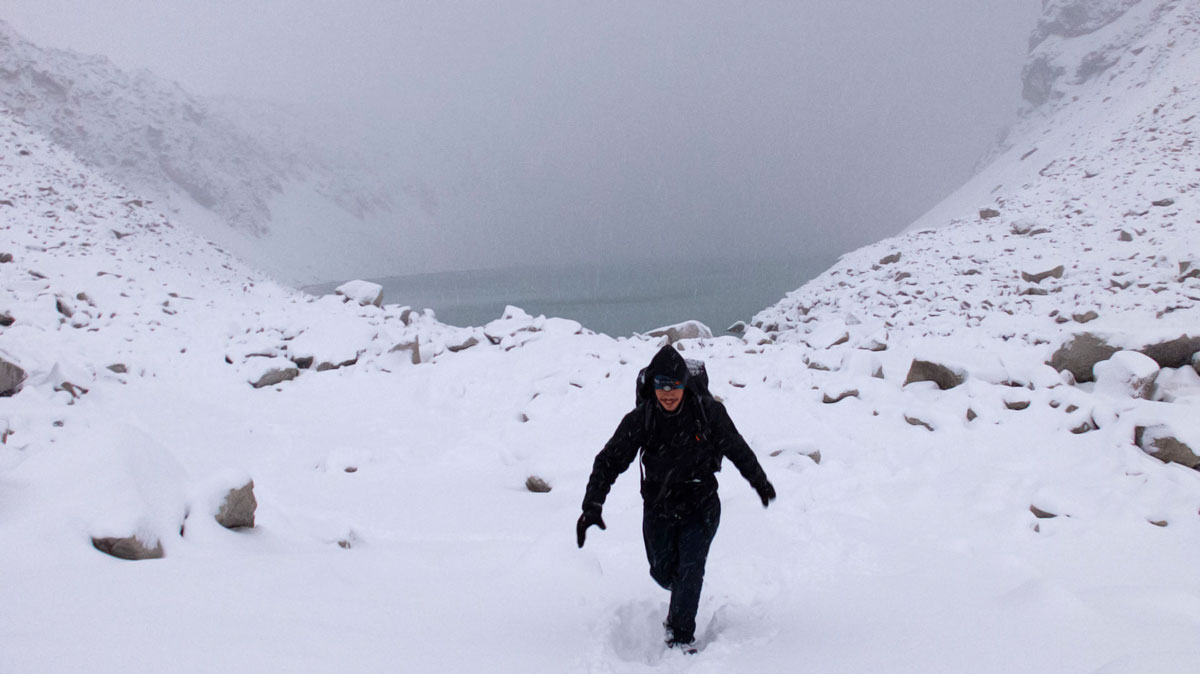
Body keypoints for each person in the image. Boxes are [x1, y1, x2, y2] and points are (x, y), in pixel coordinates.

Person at [577, 344, 775, 651]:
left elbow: (737, 448)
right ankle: (681, 593)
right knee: (662, 571)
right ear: (653, 385)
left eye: (674, 386)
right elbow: (608, 461)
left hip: (701, 504)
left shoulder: (708, 413)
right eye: (661, 386)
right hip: (658, 506)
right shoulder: (642, 419)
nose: (668, 393)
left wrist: (759, 482)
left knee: (690, 567)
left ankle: (681, 636)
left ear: (684, 384)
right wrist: (592, 505)